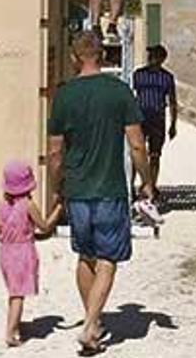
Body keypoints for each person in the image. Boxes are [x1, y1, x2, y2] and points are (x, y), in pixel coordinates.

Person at [47, 31, 152, 354]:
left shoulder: (64, 96)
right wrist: (146, 180)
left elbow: (54, 152)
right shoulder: (120, 92)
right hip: (110, 188)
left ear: (74, 57)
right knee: (108, 257)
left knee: (85, 255)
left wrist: (56, 187)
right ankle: (92, 323)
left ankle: (92, 317)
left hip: (77, 189)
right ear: (103, 56)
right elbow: (136, 143)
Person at [0, 160, 63, 348]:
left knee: (13, 292)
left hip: (5, 252)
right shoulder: (28, 205)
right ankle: (10, 334)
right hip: (23, 251)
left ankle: (14, 324)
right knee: (18, 295)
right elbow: (44, 227)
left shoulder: (0, 205)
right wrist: (58, 210)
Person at [131, 45, 177, 203]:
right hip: (140, 118)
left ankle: (151, 186)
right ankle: (131, 186)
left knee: (155, 154)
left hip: (158, 119)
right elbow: (132, 96)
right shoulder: (138, 75)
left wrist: (173, 124)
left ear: (162, 59)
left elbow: (172, 102)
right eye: (150, 56)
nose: (151, 59)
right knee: (136, 152)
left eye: (154, 56)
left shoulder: (167, 78)